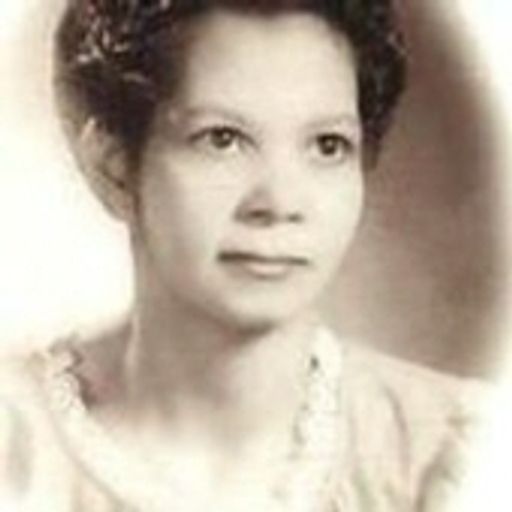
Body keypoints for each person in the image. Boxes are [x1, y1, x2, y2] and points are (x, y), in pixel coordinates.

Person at [0, 0, 485, 511]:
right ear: (114, 168)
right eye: (222, 139)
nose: (280, 203)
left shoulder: (459, 452)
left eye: (328, 145)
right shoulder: (17, 446)